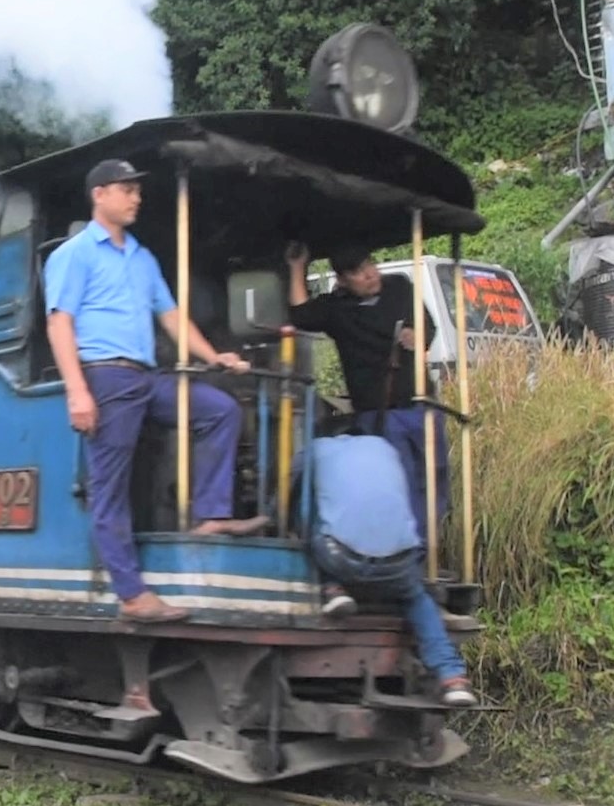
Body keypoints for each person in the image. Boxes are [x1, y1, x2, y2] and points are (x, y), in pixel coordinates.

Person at [44, 158, 269, 624]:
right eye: (126, 189)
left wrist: (214, 357)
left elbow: (171, 317)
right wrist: (77, 391)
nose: (137, 197)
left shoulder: (141, 257)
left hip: (146, 377)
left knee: (220, 411)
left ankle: (211, 514)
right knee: (110, 488)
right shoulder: (74, 254)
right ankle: (132, 595)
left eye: (137, 190)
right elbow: (59, 323)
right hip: (106, 376)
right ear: (99, 195)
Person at [285, 242, 448, 547]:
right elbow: (301, 314)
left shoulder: (399, 287)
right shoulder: (337, 309)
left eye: (370, 265)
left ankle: (429, 547)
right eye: (358, 272)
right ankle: (404, 550)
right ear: (343, 280)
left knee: (434, 479)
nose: (370, 274)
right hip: (378, 414)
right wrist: (296, 267)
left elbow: (427, 324)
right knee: (398, 483)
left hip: (421, 405)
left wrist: (417, 334)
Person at [306, 431, 475, 707]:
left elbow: (289, 490)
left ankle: (333, 588)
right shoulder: (386, 448)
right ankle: (453, 678)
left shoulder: (316, 448)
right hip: (399, 563)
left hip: (341, 559)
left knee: (310, 514)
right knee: (418, 599)